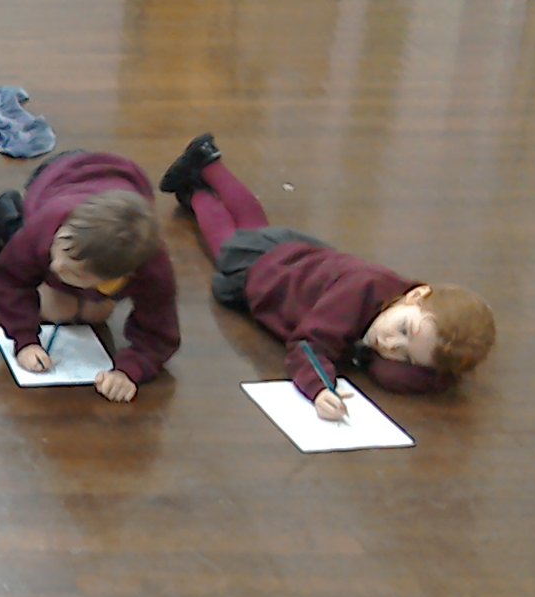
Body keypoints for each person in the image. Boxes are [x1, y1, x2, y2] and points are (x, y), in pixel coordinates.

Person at [164, 134, 495, 418]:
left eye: (406, 356)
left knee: (253, 226)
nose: (390, 344)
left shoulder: (404, 303)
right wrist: (320, 387)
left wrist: (440, 373)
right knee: (226, 243)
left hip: (298, 254)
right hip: (267, 274)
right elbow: (308, 344)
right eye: (404, 330)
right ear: (416, 295)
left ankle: (207, 165)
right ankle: (198, 191)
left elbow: (404, 371)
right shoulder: (358, 294)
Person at [0, 151, 179, 402]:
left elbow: (159, 334)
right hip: (55, 176)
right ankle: (11, 219)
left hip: (118, 186)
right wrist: (25, 340)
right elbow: (10, 278)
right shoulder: (52, 222)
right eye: (62, 248)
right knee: (56, 309)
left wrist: (129, 370)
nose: (57, 265)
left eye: (72, 270)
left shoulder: (152, 269)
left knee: (92, 315)